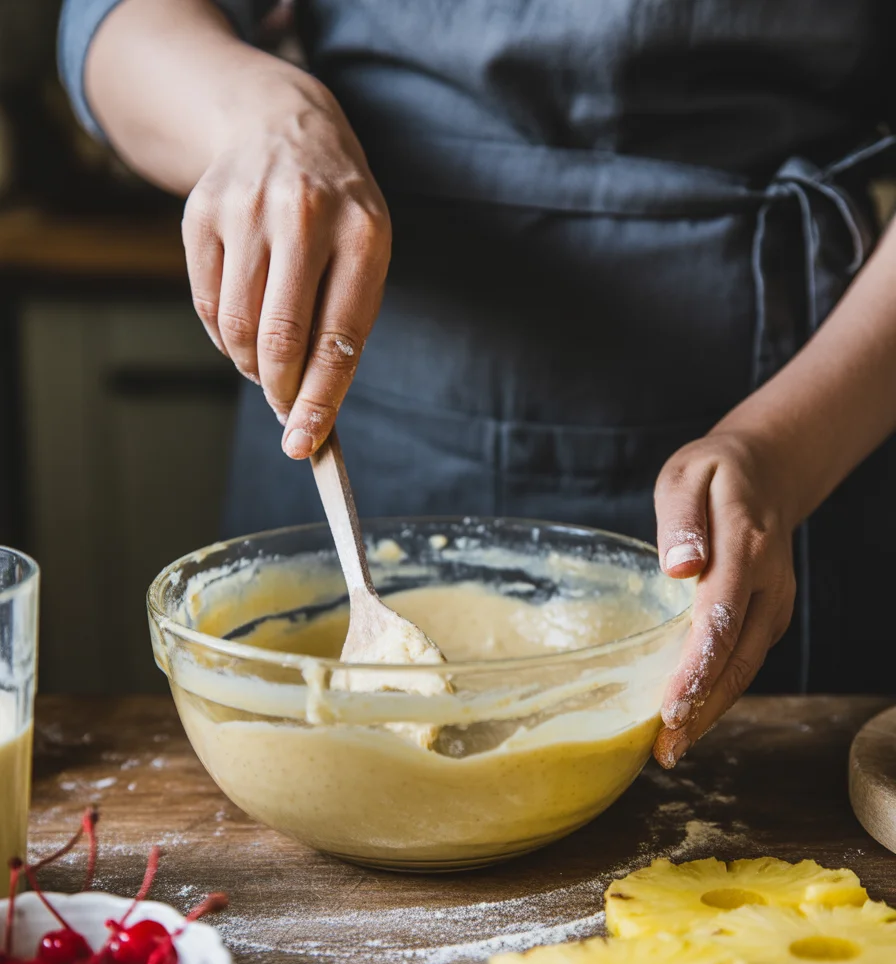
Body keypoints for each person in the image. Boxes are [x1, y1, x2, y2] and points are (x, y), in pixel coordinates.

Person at [58, 0, 896, 768]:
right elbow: (117, 24)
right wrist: (258, 113)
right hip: (382, 373)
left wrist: (784, 456)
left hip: (809, 398)